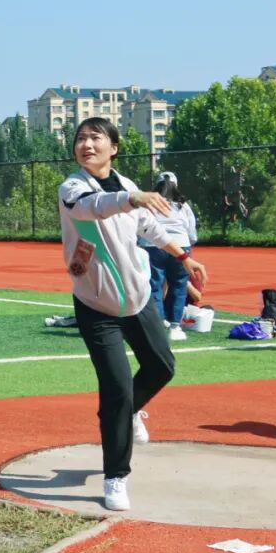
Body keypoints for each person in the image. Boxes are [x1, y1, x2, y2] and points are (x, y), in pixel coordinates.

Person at [59, 117, 207, 512]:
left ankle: (128, 412)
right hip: (96, 305)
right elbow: (93, 208)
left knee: (162, 366)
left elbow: (151, 229)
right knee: (117, 389)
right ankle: (116, 477)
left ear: (114, 148)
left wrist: (184, 257)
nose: (86, 144)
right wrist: (133, 198)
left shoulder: (125, 185)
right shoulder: (72, 188)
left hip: (137, 300)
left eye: (96, 138)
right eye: (80, 138)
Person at [139, 171, 198, 341]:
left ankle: (157, 324)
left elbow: (140, 226)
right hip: (180, 246)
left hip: (152, 246)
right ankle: (175, 327)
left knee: (154, 286)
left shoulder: (149, 204)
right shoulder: (183, 206)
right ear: (176, 185)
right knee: (179, 285)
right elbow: (191, 232)